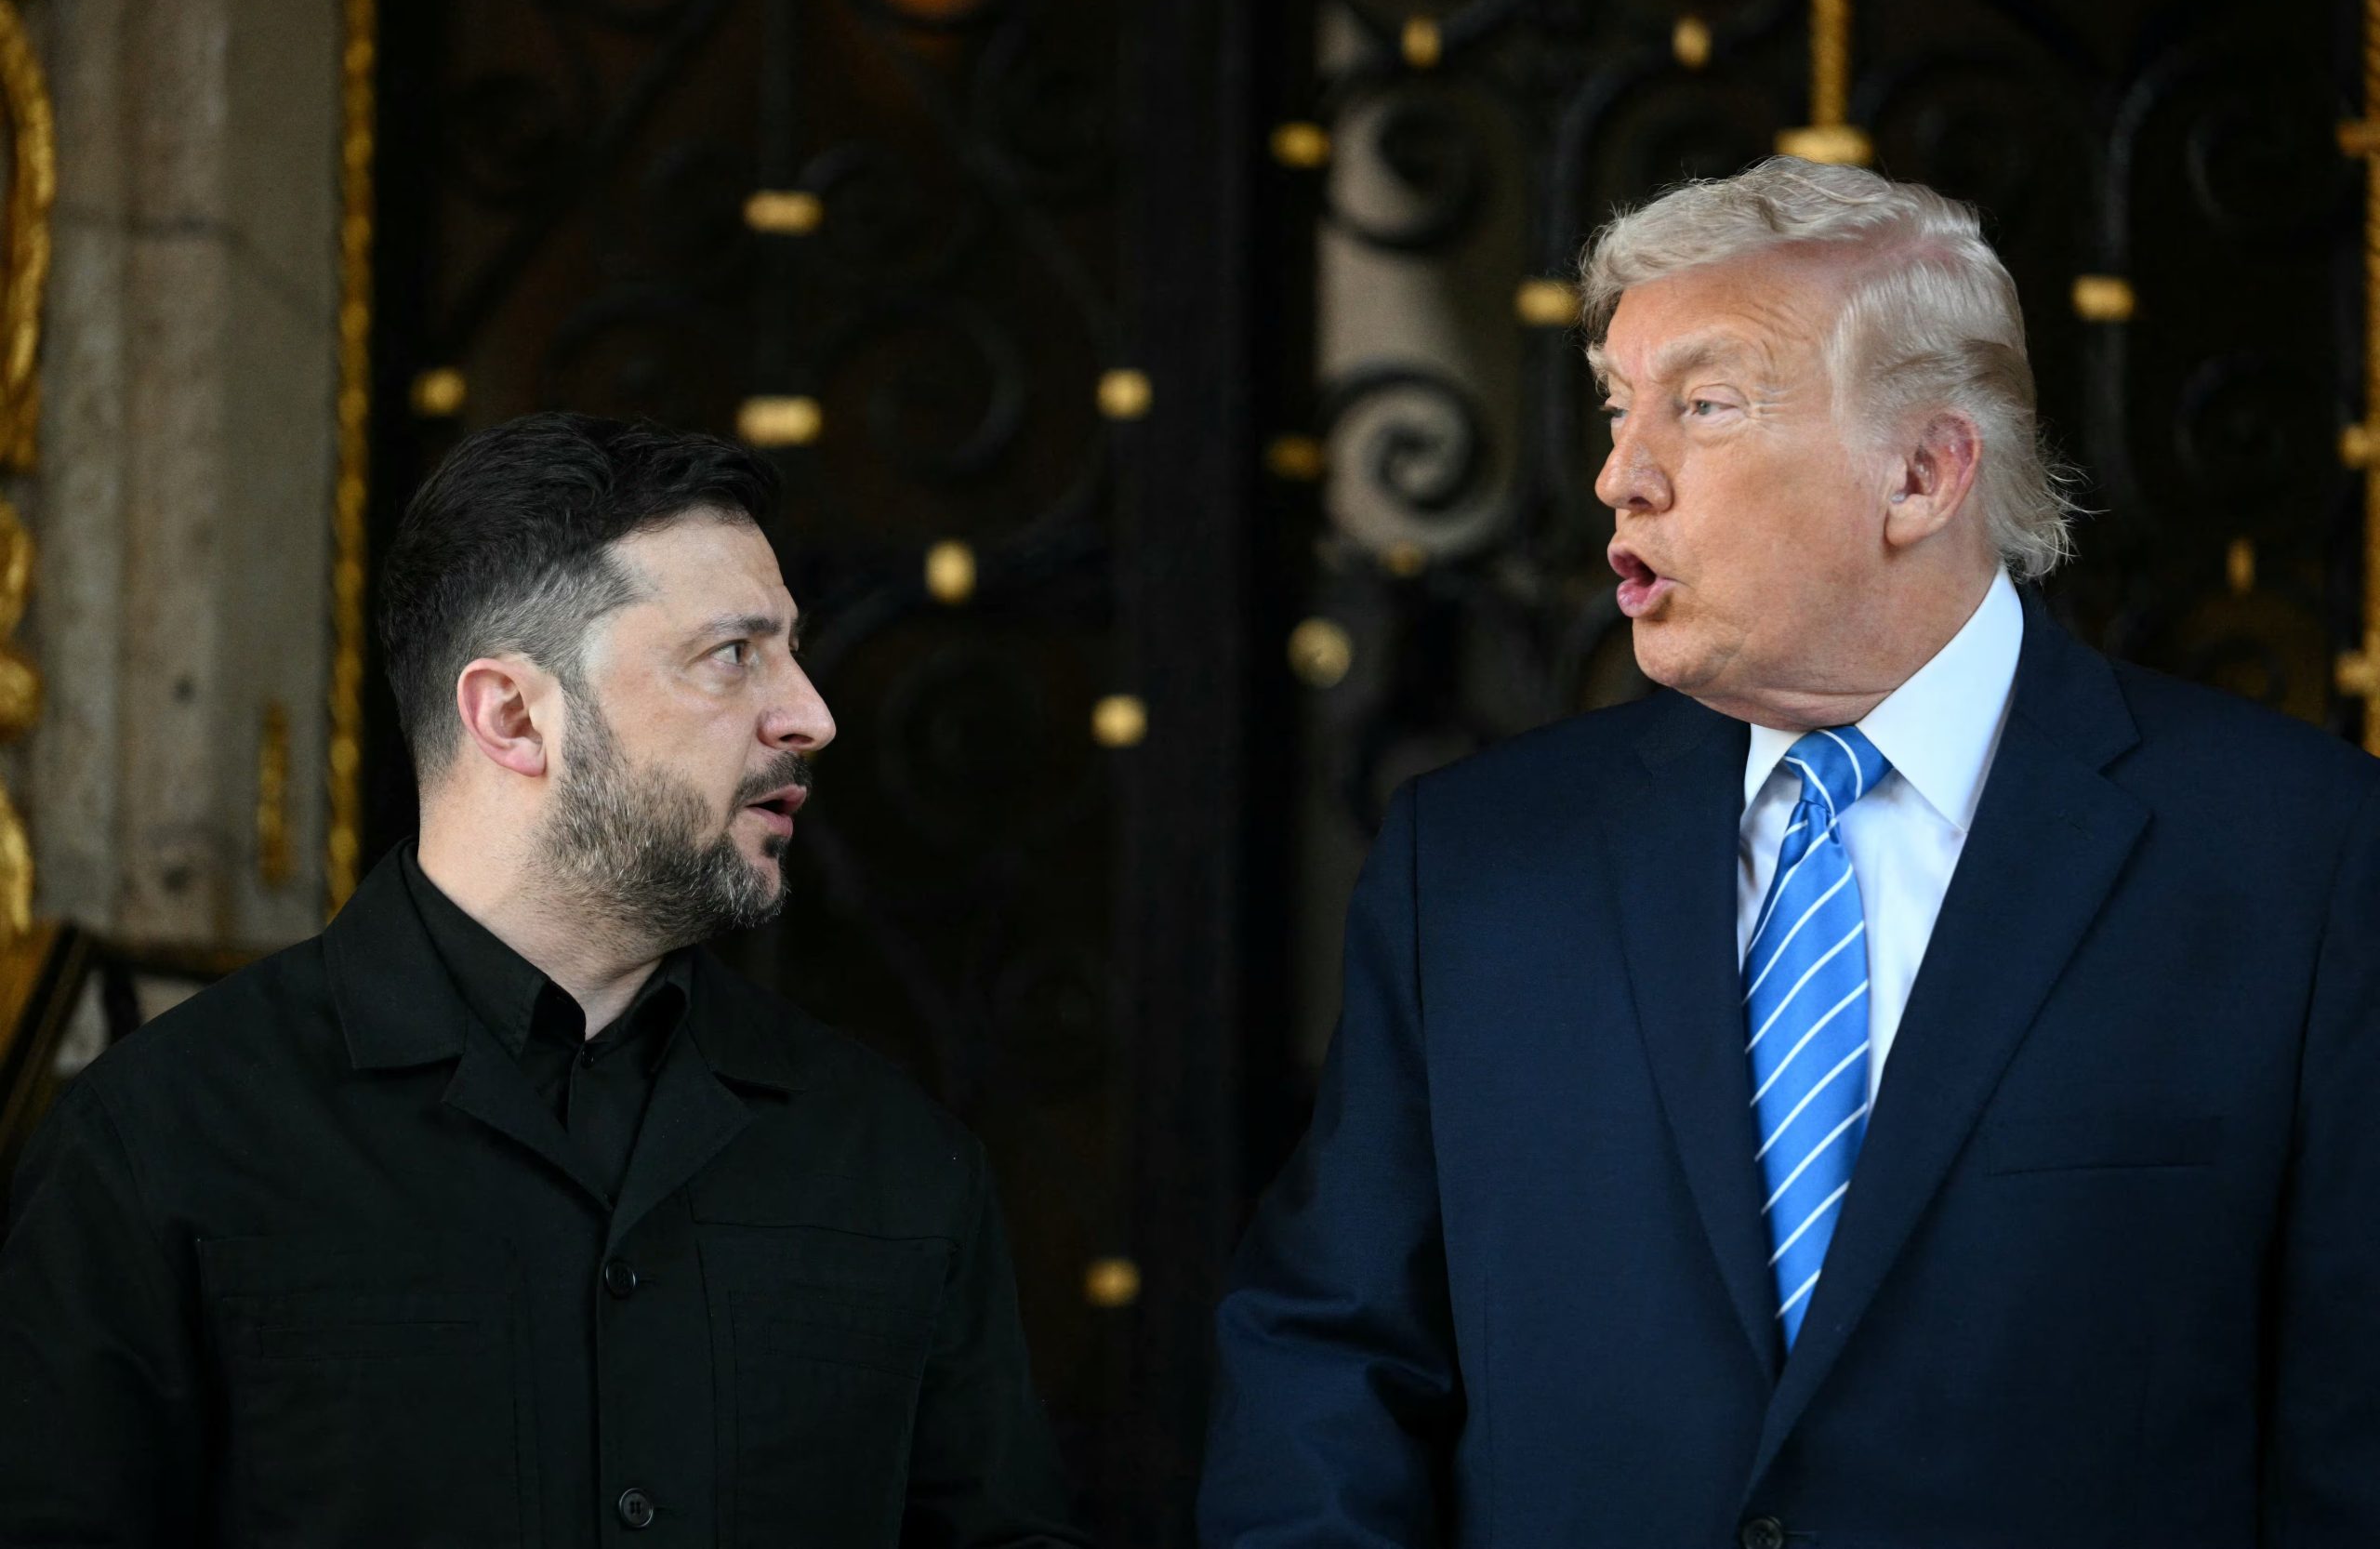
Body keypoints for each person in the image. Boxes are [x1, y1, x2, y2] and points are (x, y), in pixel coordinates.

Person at [1199, 158, 2380, 1546]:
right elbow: (1329, 1359)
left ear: (1924, 471)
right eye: (1619, 409)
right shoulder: (1473, 864)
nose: (1620, 477)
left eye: (1702, 406)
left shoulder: (2301, 853)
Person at [0, 414, 1084, 1547]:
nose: (808, 712)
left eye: (793, 649)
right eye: (733, 654)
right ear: (514, 716)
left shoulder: (897, 1157)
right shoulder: (159, 1140)